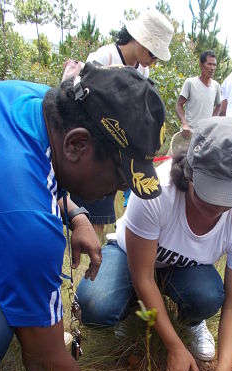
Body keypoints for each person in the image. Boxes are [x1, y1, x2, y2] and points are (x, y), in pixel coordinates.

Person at [0, 62, 166, 371]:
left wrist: (74, 214)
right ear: (76, 145)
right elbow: (42, 360)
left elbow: (37, 168)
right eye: (117, 180)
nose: (116, 195)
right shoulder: (27, 225)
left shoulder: (27, 98)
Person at [76, 117, 232, 371]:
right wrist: (174, 347)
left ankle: (190, 323)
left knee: (209, 296)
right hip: (131, 258)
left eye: (228, 199)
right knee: (94, 305)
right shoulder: (154, 193)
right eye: (209, 193)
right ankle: (133, 313)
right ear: (190, 171)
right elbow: (143, 275)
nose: (217, 209)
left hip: (182, 271)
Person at [71, 9, 174, 235]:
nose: (153, 60)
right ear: (139, 38)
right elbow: (80, 102)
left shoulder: (143, 71)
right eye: (152, 52)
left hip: (115, 153)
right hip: (92, 148)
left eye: (157, 56)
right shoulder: (104, 57)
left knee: (102, 213)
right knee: (87, 214)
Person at [175, 50, 222, 140]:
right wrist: (184, 123)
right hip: (189, 134)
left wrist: (212, 121)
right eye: (209, 64)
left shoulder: (216, 86)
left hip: (206, 135)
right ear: (201, 65)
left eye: (214, 65)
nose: (212, 68)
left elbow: (219, 105)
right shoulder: (190, 83)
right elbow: (179, 105)